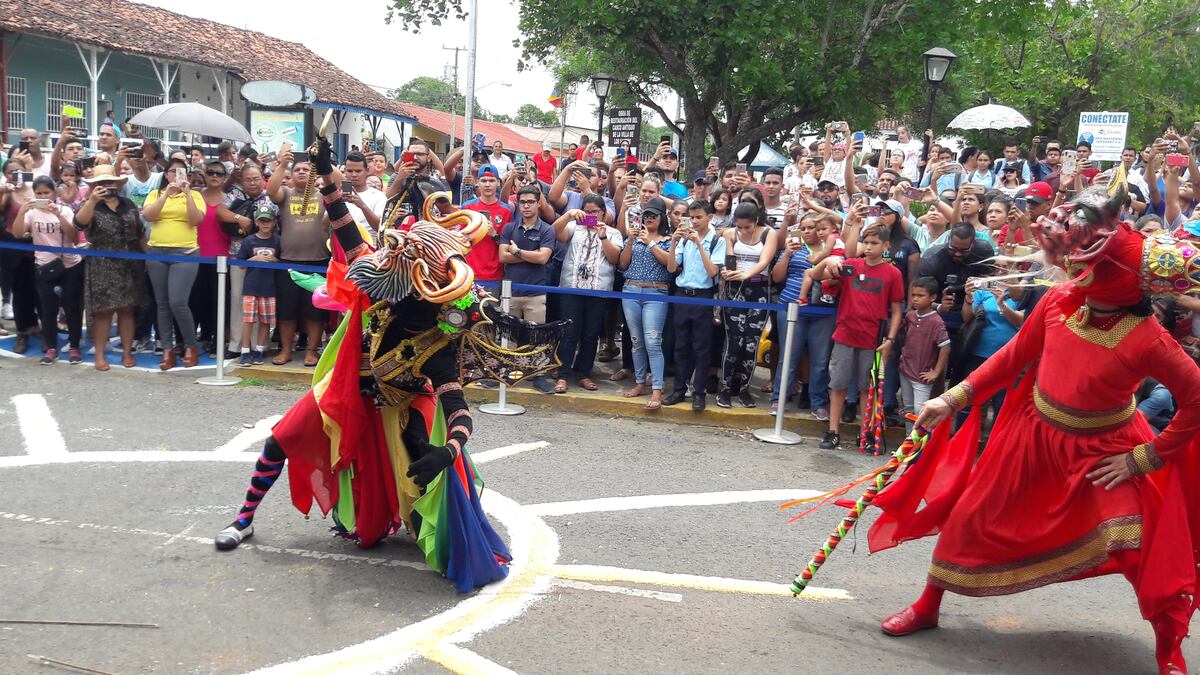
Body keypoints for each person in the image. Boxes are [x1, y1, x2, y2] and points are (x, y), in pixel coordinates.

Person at [868, 184, 1200, 675]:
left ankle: (1167, 646)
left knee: (1143, 544)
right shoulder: (1059, 304)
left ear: (1120, 281)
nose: (1072, 269)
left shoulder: (1151, 340)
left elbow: (1195, 400)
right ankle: (928, 605)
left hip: (1106, 450)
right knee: (970, 520)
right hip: (1033, 436)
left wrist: (1144, 458)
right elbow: (1012, 358)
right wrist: (952, 397)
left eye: (1090, 267)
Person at [212, 138, 565, 594]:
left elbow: (457, 408)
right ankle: (244, 519)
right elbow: (343, 225)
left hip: (400, 407)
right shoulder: (382, 281)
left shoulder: (440, 336)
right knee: (281, 438)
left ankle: (419, 516)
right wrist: (325, 173)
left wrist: (449, 450)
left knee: (423, 479)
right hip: (345, 389)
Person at [809, 223, 904, 451]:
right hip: (845, 334)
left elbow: (897, 310)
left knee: (866, 388)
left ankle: (867, 433)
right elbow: (815, 275)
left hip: (872, 339)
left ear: (886, 245)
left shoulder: (893, 273)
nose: (869, 248)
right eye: (866, 242)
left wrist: (890, 340)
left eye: (874, 243)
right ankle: (833, 431)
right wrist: (828, 261)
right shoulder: (851, 266)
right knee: (839, 384)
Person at [73, 164, 148, 371]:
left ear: (117, 183)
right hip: (102, 264)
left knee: (127, 310)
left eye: (110, 181)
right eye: (101, 182)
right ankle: (99, 355)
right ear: (94, 185)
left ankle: (126, 353)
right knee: (103, 312)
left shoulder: (128, 204)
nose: (107, 185)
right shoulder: (89, 204)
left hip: (130, 264)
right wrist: (92, 200)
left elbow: (140, 232)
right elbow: (79, 224)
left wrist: (149, 256)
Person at [551, 194, 623, 393]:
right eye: (587, 211)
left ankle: (584, 373)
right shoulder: (574, 228)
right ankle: (563, 375)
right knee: (569, 333)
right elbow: (555, 233)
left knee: (590, 335)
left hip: (598, 290)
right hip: (571, 287)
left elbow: (614, 258)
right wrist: (568, 216)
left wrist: (603, 236)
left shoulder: (613, 232)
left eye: (595, 212)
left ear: (603, 212)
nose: (591, 215)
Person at [769, 212, 836, 420]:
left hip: (824, 310)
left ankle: (819, 403)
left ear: (822, 228)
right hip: (791, 306)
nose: (807, 232)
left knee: (821, 359)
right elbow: (777, 277)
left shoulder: (834, 248)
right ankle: (779, 399)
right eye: (803, 228)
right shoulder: (794, 249)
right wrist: (787, 254)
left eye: (811, 227)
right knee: (788, 356)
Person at [266, 144, 328, 367]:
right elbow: (271, 192)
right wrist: (282, 164)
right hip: (288, 262)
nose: (302, 171)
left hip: (319, 262)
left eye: (307, 168)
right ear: (291, 174)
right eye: (297, 169)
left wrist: (322, 158)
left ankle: (312, 351)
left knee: (315, 311)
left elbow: (337, 181)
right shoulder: (287, 194)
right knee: (287, 310)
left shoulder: (323, 195)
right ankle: (285, 350)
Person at [12, 176, 83, 364]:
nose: (43, 196)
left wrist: (57, 215)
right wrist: (22, 211)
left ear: (54, 193)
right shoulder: (32, 213)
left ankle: (74, 346)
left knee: (72, 308)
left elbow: (74, 237)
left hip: (70, 265)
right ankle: (51, 348)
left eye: (46, 193)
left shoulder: (65, 210)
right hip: (44, 266)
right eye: (39, 193)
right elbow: (18, 233)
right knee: (47, 309)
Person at [142, 158, 205, 369]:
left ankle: (190, 346)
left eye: (181, 171)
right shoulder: (156, 194)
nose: (176, 175)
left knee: (178, 301)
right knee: (162, 303)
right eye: (172, 171)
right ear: (166, 174)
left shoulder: (195, 195)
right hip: (156, 251)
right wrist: (166, 195)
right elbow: (149, 215)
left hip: (185, 253)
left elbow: (196, 219)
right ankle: (168, 348)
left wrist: (186, 193)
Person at [664, 199, 726, 410]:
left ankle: (699, 392)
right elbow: (672, 268)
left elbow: (712, 272)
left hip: (703, 295)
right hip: (682, 294)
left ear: (710, 217)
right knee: (681, 345)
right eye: (692, 217)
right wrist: (674, 242)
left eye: (699, 217)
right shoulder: (684, 239)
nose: (695, 221)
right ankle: (679, 389)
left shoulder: (717, 241)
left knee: (701, 347)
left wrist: (699, 244)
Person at [717, 202, 777, 408]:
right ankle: (725, 387)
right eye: (739, 227)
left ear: (756, 221)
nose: (743, 231)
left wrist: (746, 274)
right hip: (735, 289)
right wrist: (728, 272)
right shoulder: (730, 234)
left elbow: (764, 261)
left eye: (747, 227)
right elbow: (729, 260)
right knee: (733, 339)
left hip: (759, 289)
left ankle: (744, 387)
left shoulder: (768, 233)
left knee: (752, 341)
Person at [498, 185, 557, 394]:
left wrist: (517, 251)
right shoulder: (509, 228)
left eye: (530, 202)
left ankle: (538, 376)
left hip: (535, 291)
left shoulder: (547, 230)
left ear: (539, 203)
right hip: (511, 291)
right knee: (508, 336)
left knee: (537, 337)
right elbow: (502, 257)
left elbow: (543, 258)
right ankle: (505, 372)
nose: (525, 206)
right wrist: (526, 254)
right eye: (522, 202)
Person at [619, 195, 673, 410]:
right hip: (630, 289)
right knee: (636, 341)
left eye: (653, 215)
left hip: (656, 292)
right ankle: (640, 383)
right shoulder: (633, 236)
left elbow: (671, 265)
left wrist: (650, 242)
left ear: (662, 218)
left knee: (653, 342)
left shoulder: (668, 240)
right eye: (645, 215)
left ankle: (657, 389)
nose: (649, 218)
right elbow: (623, 264)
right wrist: (632, 239)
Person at [899, 277, 950, 432]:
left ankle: (919, 446)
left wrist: (936, 371)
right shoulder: (910, 316)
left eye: (920, 296)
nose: (915, 299)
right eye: (913, 295)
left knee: (920, 411)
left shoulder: (936, 321)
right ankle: (907, 443)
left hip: (922, 375)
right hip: (906, 370)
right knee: (908, 408)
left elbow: (945, 346)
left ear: (932, 298)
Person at [235, 206, 281, 366]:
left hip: (270, 287)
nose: (265, 223)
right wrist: (253, 259)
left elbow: (284, 261)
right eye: (262, 220)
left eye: (268, 220)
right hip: (251, 286)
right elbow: (240, 264)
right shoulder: (249, 240)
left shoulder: (277, 240)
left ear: (274, 222)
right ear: (256, 222)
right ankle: (245, 350)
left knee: (266, 321)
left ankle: (260, 349)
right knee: (248, 320)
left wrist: (275, 261)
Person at [460, 164, 511, 283]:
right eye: (484, 181)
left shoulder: (506, 211)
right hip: (470, 273)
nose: (487, 185)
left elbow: (507, 245)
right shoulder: (467, 207)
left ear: (498, 182)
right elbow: (461, 240)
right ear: (477, 182)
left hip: (495, 275)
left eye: (491, 181)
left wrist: (494, 234)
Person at [341, 151, 386, 233]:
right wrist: (336, 203)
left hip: (369, 244)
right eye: (350, 171)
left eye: (358, 171)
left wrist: (362, 206)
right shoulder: (338, 195)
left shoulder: (379, 196)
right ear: (345, 171)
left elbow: (379, 228)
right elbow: (324, 226)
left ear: (367, 170)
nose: (354, 175)